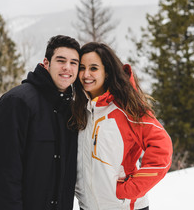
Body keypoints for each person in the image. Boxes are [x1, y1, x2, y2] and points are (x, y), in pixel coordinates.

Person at [0, 35, 80, 209]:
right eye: (61, 60)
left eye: (73, 62)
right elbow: (1, 175)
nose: (67, 67)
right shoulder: (17, 102)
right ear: (46, 63)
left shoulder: (70, 111)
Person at [70, 42, 173, 210]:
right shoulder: (79, 110)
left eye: (94, 68)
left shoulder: (127, 108)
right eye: (82, 68)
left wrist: (128, 190)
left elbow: (162, 148)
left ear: (107, 72)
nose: (86, 74)